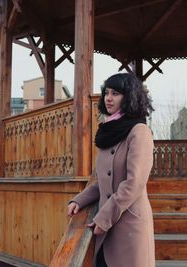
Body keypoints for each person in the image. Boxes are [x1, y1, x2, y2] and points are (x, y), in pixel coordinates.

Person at [67, 73, 155, 267]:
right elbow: (103, 181)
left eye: (115, 93)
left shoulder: (139, 132)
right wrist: (79, 200)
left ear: (129, 97)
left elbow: (134, 183)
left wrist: (104, 217)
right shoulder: (109, 131)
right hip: (106, 227)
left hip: (128, 227)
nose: (108, 98)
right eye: (106, 92)